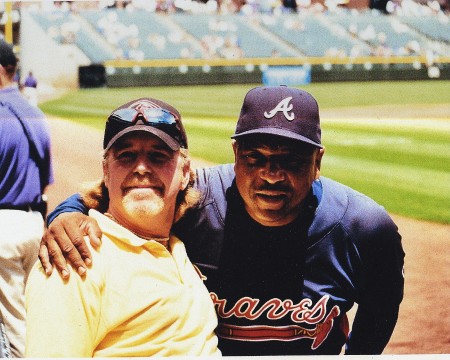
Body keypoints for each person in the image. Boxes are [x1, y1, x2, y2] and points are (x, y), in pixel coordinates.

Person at [40, 86, 405, 355]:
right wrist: (66, 214)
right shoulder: (196, 196)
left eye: (291, 159)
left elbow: (377, 319)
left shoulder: (364, 228)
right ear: (235, 154)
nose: (272, 175)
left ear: (318, 161)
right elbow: (118, 192)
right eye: (255, 157)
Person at [25, 98, 220, 357]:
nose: (141, 168)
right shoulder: (76, 256)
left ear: (185, 173)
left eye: (158, 156)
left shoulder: (177, 247)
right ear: (106, 171)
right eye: (126, 156)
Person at [0, 39, 54, 358]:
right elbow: (46, 176)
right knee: (37, 313)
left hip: (3, 229)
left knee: (13, 328)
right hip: (34, 224)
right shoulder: (34, 112)